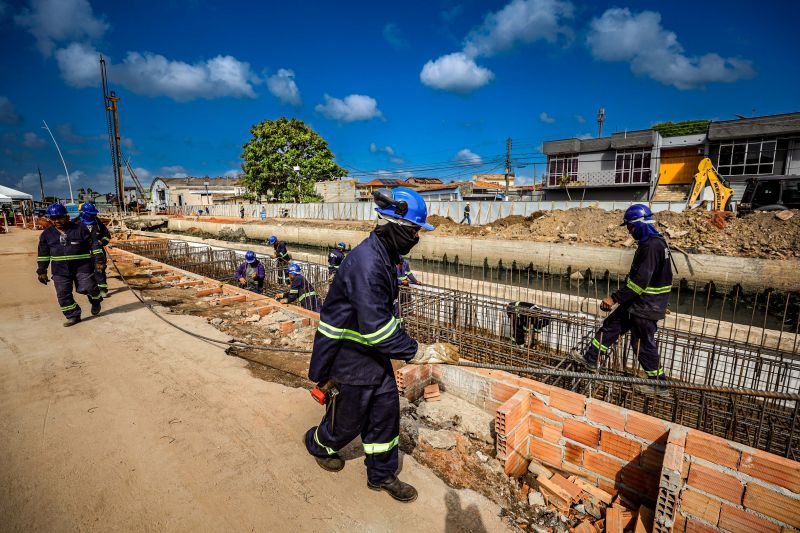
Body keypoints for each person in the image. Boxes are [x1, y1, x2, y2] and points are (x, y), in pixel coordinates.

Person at [304, 187, 438, 503]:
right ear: (393, 226)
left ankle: (381, 475)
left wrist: (406, 347)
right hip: (349, 359)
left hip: (373, 357)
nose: (416, 238)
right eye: (413, 231)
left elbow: (381, 320)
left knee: (385, 415)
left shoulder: (385, 256)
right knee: (346, 422)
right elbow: (377, 329)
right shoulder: (367, 263)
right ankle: (318, 444)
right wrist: (417, 351)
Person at [569, 204, 673, 396]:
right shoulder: (654, 242)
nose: (629, 231)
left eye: (630, 227)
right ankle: (591, 359)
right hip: (639, 303)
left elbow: (640, 282)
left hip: (644, 306)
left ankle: (659, 384)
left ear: (640, 224)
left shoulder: (651, 246)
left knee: (641, 344)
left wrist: (614, 298)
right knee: (611, 326)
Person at [37, 203, 104, 327]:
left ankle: (96, 300)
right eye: (53, 218)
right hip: (60, 270)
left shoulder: (80, 229)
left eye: (60, 217)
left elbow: (94, 244)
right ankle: (73, 315)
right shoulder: (47, 234)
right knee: (63, 294)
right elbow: (43, 254)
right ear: (50, 219)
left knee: (89, 288)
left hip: (82, 266)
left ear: (66, 216)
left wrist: (99, 260)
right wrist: (41, 270)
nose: (57, 221)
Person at [74, 202, 111, 297]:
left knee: (100, 269)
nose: (93, 216)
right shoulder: (75, 223)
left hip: (98, 252)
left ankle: (102, 290)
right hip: (83, 253)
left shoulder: (97, 222)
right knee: (86, 272)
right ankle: (91, 289)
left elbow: (106, 235)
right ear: (83, 213)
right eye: (91, 214)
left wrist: (102, 242)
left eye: (94, 214)